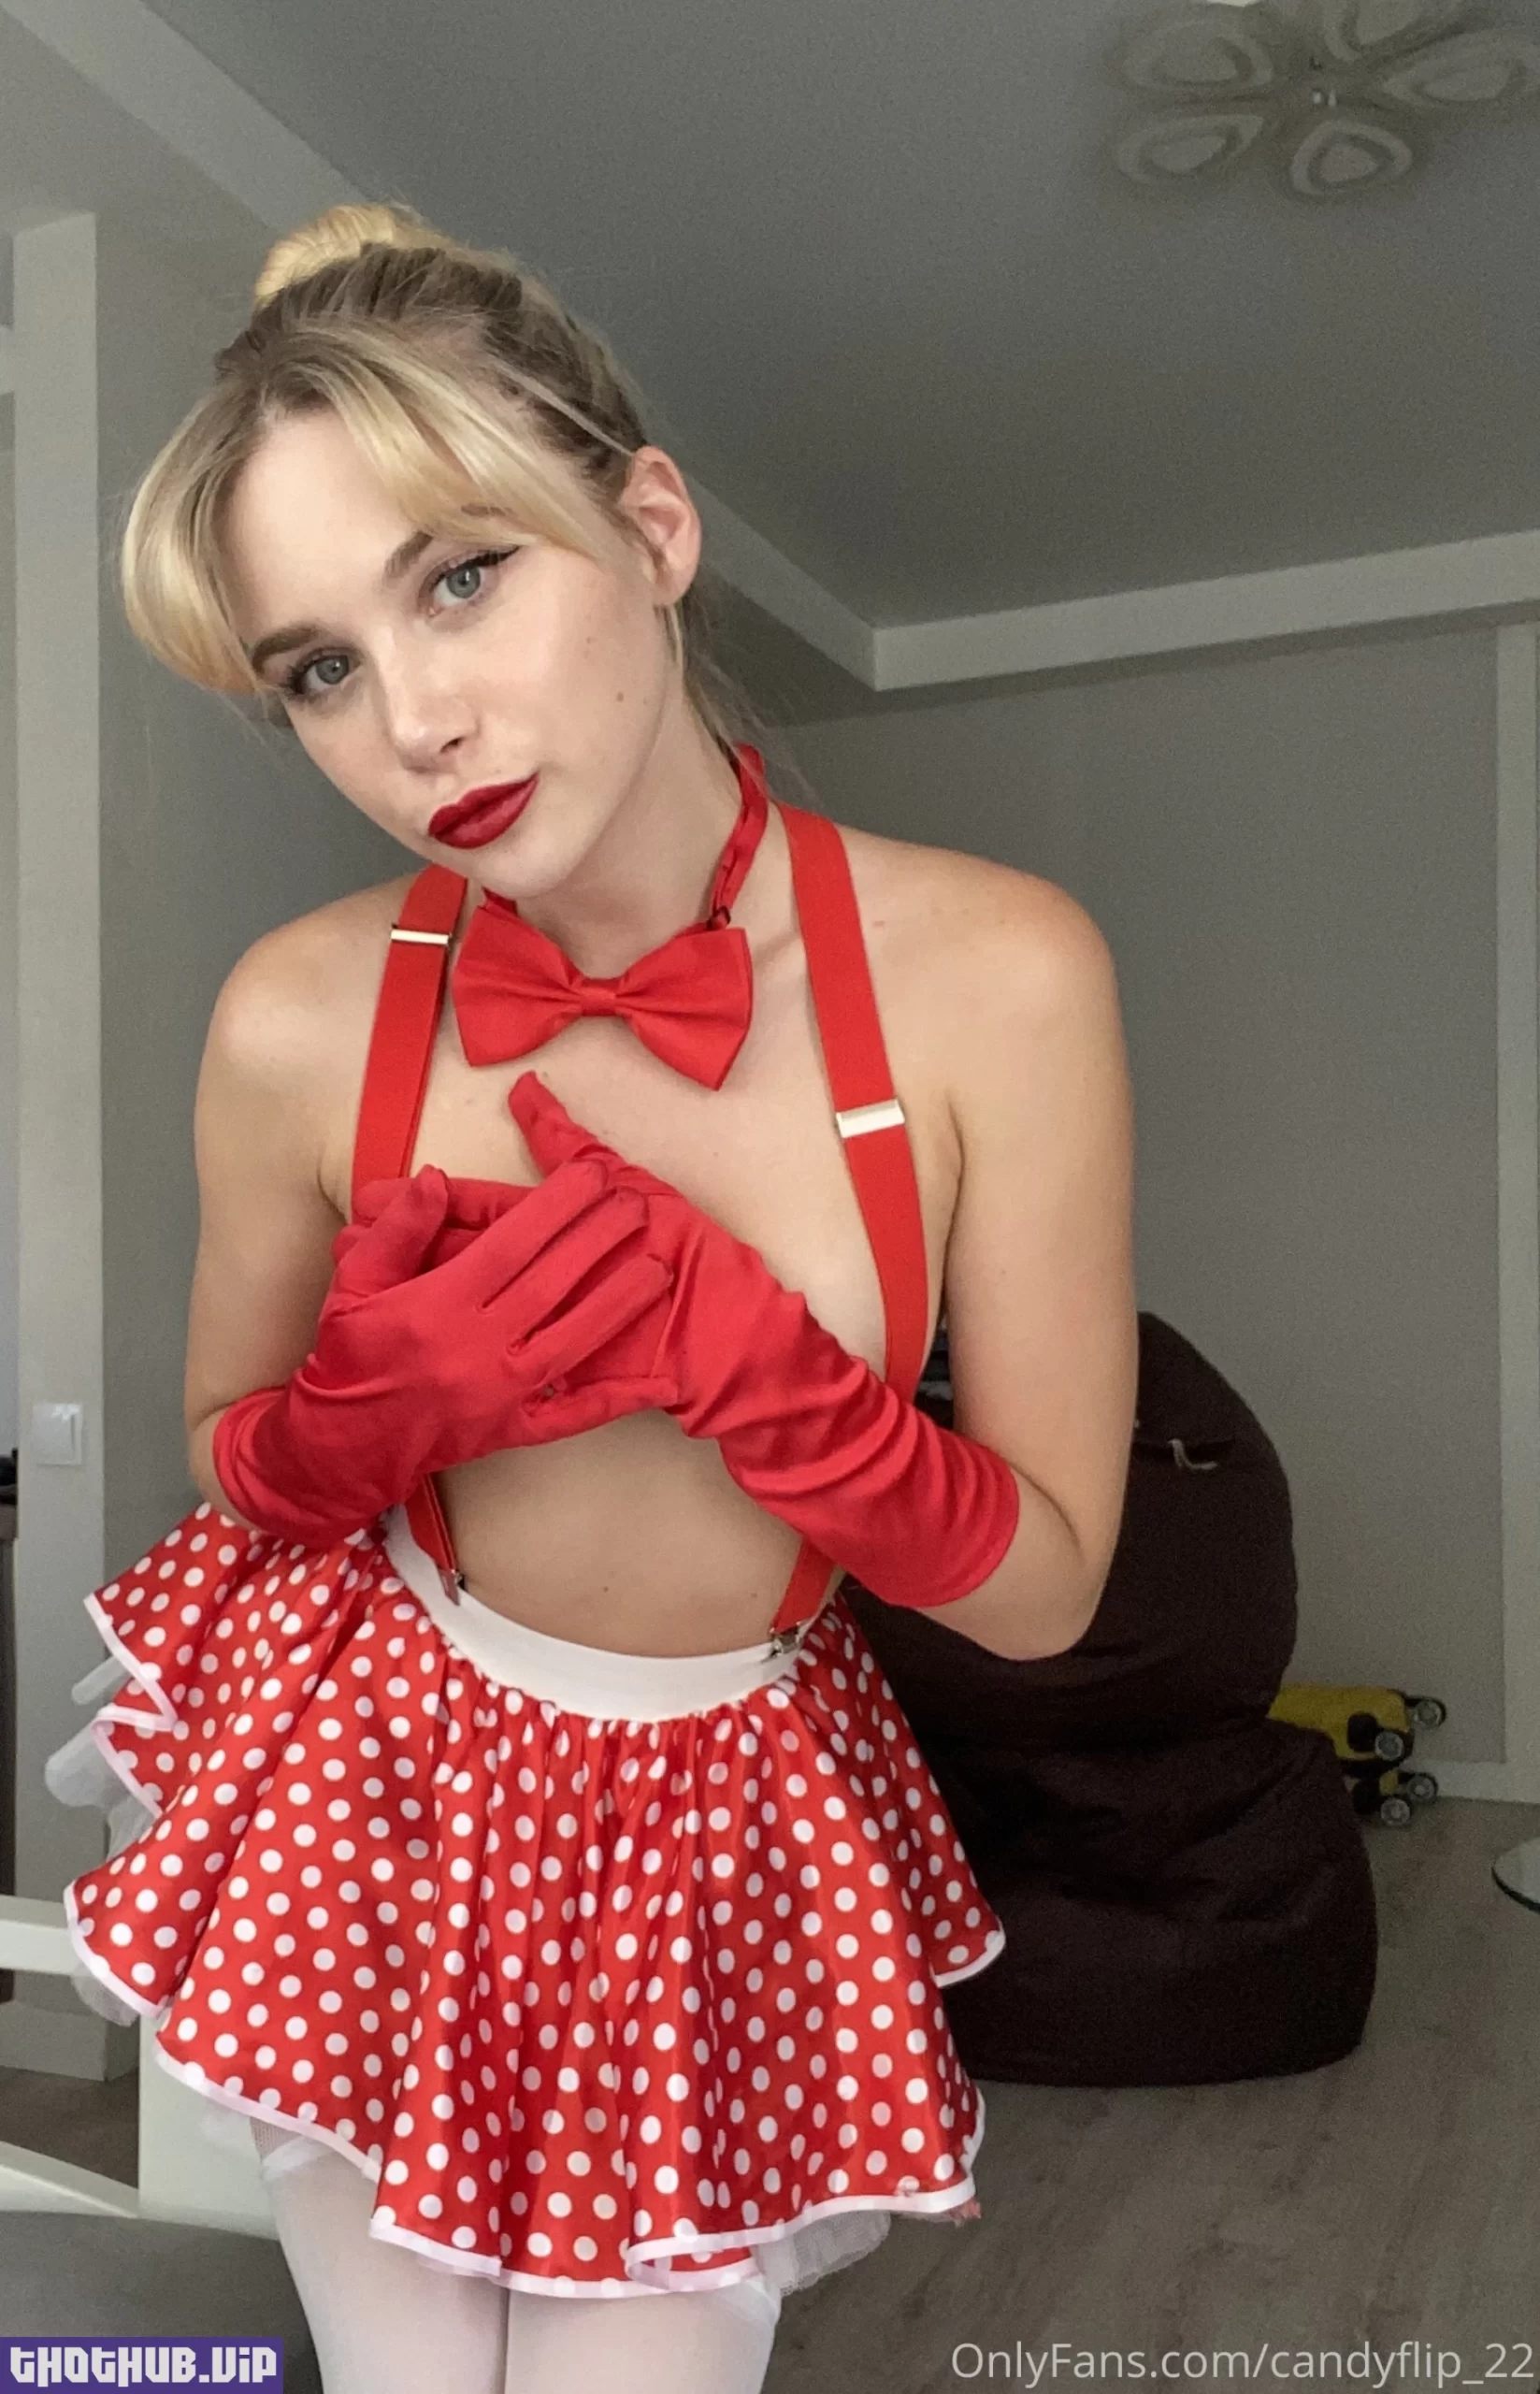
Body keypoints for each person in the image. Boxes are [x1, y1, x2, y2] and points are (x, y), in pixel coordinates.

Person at [50, 202, 1138, 2393]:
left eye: (460, 576)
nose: (413, 720)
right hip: (373, 1781)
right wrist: (386, 1402)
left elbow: (1046, 1589)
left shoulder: (998, 974)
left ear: (649, 526)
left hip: (716, 1825)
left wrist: (781, 1390)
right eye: (319, 667)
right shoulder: (296, 1014)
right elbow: (232, 1458)